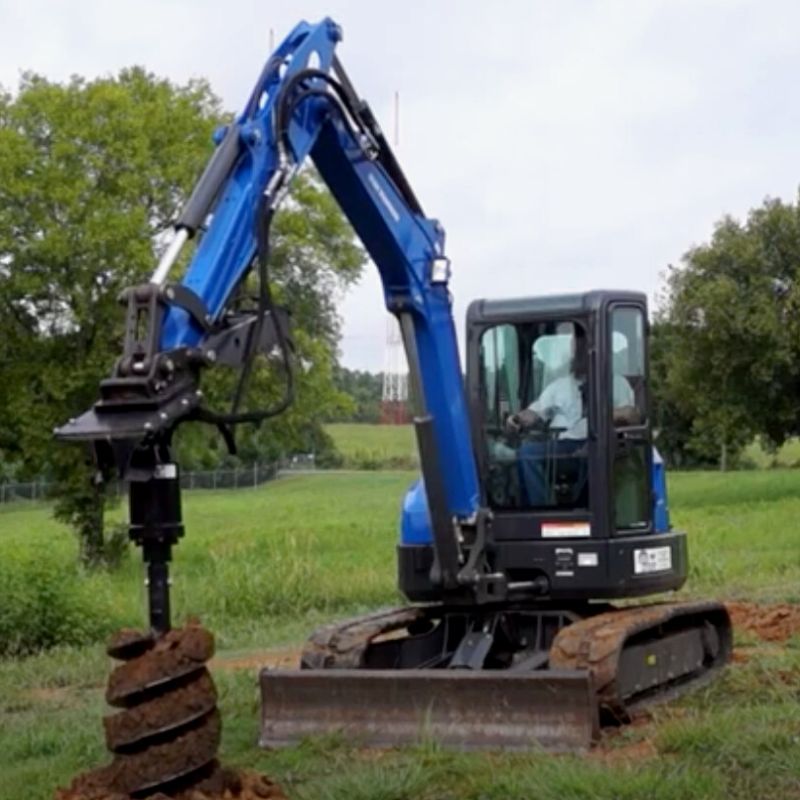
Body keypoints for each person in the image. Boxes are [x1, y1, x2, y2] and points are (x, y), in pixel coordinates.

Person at [507, 326, 637, 506]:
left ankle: (589, 508)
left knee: (596, 454)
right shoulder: (559, 386)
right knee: (526, 453)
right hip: (562, 448)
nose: (580, 351)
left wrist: (601, 415)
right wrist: (518, 418)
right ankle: (544, 507)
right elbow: (536, 412)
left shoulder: (617, 383)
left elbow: (631, 415)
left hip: (599, 443)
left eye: (584, 346)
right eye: (577, 347)